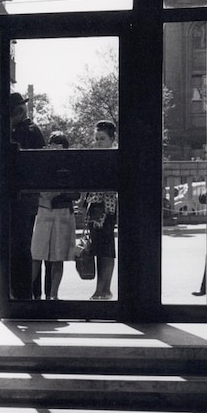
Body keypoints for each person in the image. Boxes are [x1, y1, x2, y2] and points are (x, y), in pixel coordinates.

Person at [30, 132, 79, 299]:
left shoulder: (72, 166)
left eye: (59, 148)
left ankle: (53, 295)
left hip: (63, 211)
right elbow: (32, 185)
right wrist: (42, 193)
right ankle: (28, 293)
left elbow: (76, 193)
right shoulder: (40, 164)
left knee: (58, 257)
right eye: (53, 147)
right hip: (44, 210)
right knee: (36, 255)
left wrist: (60, 192)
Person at [9, 92, 46, 299]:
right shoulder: (24, 130)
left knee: (21, 246)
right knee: (20, 246)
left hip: (24, 198)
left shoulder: (28, 131)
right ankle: (22, 293)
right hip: (24, 197)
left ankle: (23, 294)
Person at [83, 120, 118, 300]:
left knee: (106, 249)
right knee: (98, 249)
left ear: (112, 139)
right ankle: (101, 289)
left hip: (107, 207)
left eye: (102, 138)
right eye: (96, 138)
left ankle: (104, 289)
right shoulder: (96, 157)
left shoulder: (113, 157)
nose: (97, 142)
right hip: (94, 206)